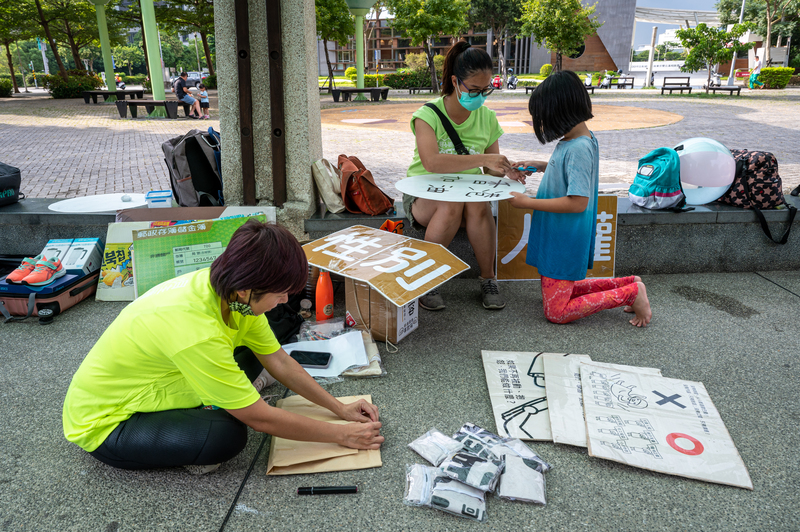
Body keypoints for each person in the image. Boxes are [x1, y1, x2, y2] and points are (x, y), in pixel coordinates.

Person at [62, 220, 384, 472]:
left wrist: (338, 408)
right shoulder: (195, 327)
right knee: (227, 436)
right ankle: (212, 416)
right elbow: (261, 419)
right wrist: (342, 435)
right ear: (246, 290)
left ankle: (226, 398)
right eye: (281, 293)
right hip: (109, 422)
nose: (286, 300)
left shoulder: (230, 292)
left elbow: (279, 360)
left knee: (258, 357)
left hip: (165, 375)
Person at [507, 70, 652, 327]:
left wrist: (526, 202)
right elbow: (568, 173)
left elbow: (577, 202)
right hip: (558, 235)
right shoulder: (578, 139)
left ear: (560, 112)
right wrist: (539, 165)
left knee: (557, 312)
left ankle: (629, 294)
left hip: (563, 238)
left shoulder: (578, 148)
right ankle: (630, 284)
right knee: (565, 289)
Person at [403, 40, 526, 311]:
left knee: (479, 204)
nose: (480, 96)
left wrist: (507, 169)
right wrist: (483, 158)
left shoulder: (487, 118)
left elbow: (489, 169)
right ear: (456, 82)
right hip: (425, 194)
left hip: (468, 194)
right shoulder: (428, 115)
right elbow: (432, 162)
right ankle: (427, 280)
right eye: (474, 90)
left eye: (486, 90)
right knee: (451, 203)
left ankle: (488, 278)